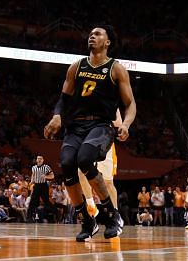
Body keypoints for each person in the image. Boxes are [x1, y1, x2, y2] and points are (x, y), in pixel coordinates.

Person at [44, 26, 136, 241]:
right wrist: (57, 116)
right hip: (75, 126)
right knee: (67, 165)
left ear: (108, 42)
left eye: (98, 34)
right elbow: (63, 100)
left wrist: (126, 125)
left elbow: (130, 104)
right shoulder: (76, 67)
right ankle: (87, 219)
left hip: (101, 126)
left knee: (85, 159)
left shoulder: (116, 69)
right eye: (91, 34)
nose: (92, 36)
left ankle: (112, 216)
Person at [78, 110, 122, 220]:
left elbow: (119, 123)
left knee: (108, 182)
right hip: (89, 141)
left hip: (106, 141)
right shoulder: (85, 100)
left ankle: (115, 213)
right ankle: (91, 205)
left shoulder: (110, 103)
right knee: (81, 172)